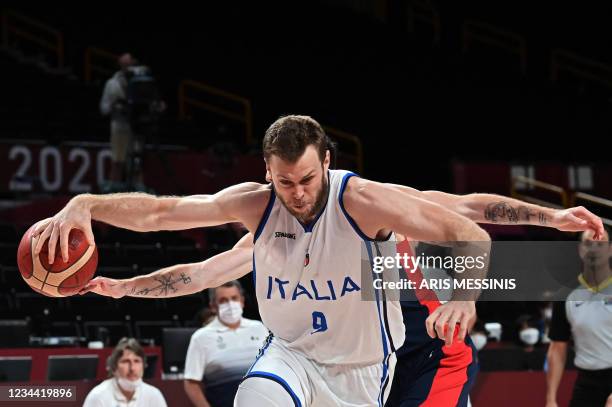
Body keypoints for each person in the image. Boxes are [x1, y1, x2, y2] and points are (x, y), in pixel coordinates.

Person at [34, 115, 602, 406]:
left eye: (308, 179)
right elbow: (170, 222)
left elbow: (466, 215)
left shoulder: (371, 204)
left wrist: (547, 222)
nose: (299, 193)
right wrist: (89, 207)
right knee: (257, 397)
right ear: (267, 172)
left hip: (398, 358)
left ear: (327, 163)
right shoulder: (261, 214)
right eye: (286, 182)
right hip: (294, 354)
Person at [546, 229, 612, 407]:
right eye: (588, 243)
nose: (594, 249)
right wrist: (550, 399)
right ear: (580, 249)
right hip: (587, 382)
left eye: (601, 243)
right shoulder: (565, 295)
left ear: (610, 249)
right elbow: (557, 347)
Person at [183, 281, 268, 407]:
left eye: (234, 298)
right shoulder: (201, 338)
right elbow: (191, 382)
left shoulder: (259, 328)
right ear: (213, 306)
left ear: (242, 301)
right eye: (223, 300)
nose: (230, 304)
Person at [83, 337, 167, 407]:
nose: (132, 368)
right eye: (126, 361)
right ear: (114, 367)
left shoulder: (154, 395)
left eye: (137, 361)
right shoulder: (98, 396)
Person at [100, 53, 136, 192]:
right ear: (120, 64)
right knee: (117, 162)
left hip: (136, 127)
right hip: (119, 126)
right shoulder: (112, 83)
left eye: (129, 64)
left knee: (136, 164)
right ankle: (112, 196)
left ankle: (141, 197)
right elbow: (103, 108)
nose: (127, 67)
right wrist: (114, 105)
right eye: (124, 64)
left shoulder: (140, 80)